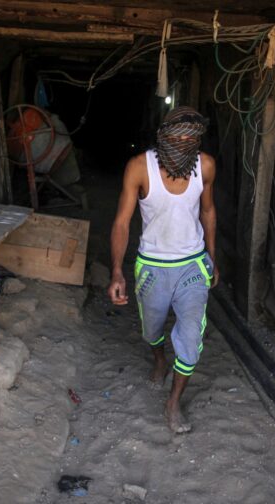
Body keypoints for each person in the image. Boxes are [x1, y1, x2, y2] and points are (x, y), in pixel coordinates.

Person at [108, 106, 219, 434]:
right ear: (163, 136)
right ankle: (159, 359)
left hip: (193, 265)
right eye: (178, 135)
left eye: (192, 137)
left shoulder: (206, 166)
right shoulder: (140, 167)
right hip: (153, 267)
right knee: (151, 329)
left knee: (190, 335)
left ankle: (173, 402)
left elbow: (209, 212)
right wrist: (116, 271)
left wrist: (213, 258)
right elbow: (122, 222)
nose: (185, 142)